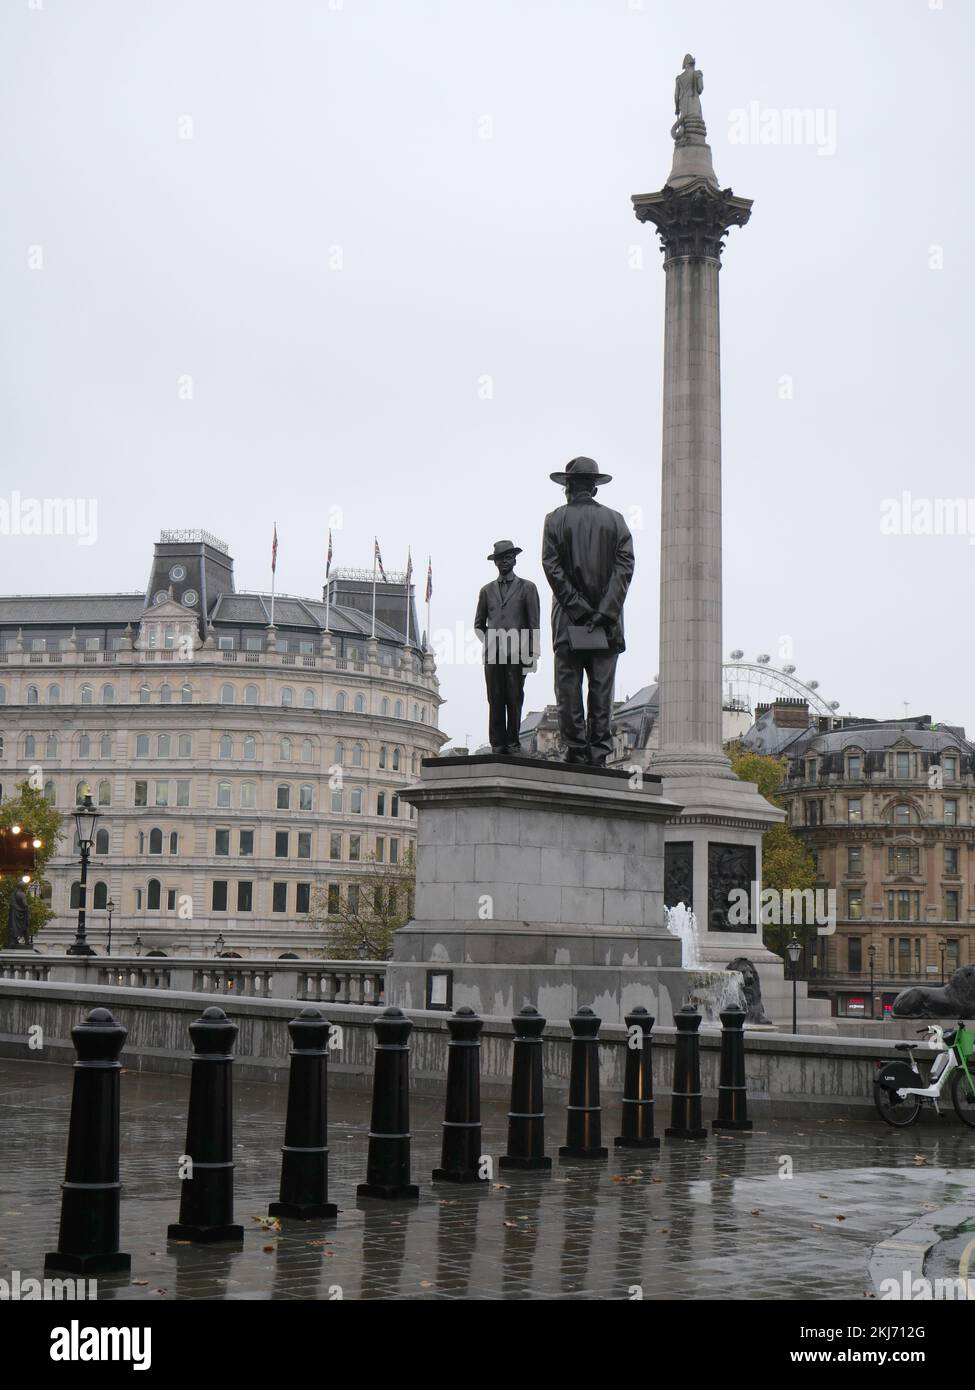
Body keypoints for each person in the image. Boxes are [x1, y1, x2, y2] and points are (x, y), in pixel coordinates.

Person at [542, 457, 634, 765]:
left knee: (568, 688)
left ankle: (576, 750)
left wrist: (578, 609)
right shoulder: (616, 520)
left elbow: (552, 568)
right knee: (602, 690)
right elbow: (625, 568)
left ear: (568, 487)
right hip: (607, 626)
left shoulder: (555, 519)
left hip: (569, 622)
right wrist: (604, 612)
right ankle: (599, 754)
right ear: (594, 488)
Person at [474, 540, 540, 755]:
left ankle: (513, 743)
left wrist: (532, 653)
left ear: (514, 560)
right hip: (493, 653)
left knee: (514, 697)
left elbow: (533, 624)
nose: (505, 562)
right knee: (494, 698)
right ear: (495, 563)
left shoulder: (528, 587)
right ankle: (497, 743)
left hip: (518, 652)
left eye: (508, 557)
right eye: (501, 558)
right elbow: (478, 624)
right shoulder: (486, 590)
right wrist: (490, 641)